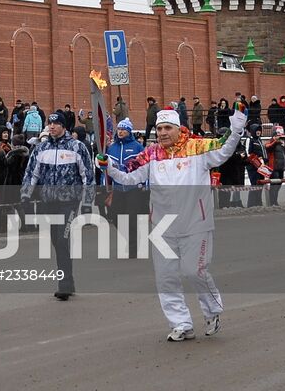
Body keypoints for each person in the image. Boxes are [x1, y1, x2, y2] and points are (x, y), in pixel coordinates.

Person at [99, 105, 247, 342]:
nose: (162, 133)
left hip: (195, 223)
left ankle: (212, 311)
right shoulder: (151, 154)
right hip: (162, 226)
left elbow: (224, 147)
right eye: (159, 128)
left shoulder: (197, 148)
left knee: (194, 271)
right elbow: (129, 174)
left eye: (167, 128)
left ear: (178, 129)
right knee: (166, 277)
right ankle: (181, 324)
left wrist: (237, 127)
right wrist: (108, 167)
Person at [19, 112, 94, 301]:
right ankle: (67, 279)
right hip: (48, 201)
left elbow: (88, 175)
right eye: (49, 124)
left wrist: (87, 202)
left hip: (69, 201)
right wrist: (25, 195)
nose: (51, 127)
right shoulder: (41, 148)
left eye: (55, 124)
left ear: (63, 126)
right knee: (56, 240)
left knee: (62, 238)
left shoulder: (77, 147)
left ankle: (65, 284)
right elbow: (32, 174)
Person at [105, 118, 146, 254]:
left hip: (133, 187)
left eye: (124, 129)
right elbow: (107, 170)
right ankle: (129, 237)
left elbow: (144, 167)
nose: (121, 131)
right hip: (118, 188)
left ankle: (133, 248)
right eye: (119, 129)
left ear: (129, 131)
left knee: (132, 217)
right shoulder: (112, 148)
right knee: (115, 216)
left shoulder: (137, 147)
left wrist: (144, 184)